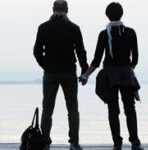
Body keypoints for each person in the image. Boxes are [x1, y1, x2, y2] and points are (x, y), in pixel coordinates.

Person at [79, 2, 144, 150]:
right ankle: (135, 143)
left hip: (110, 75)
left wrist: (85, 76)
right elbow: (135, 59)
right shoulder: (130, 32)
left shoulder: (103, 34)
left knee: (113, 110)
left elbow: (96, 61)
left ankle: (117, 143)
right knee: (130, 109)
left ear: (107, 15)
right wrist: (128, 69)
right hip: (127, 74)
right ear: (122, 14)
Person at [33, 0, 88, 150]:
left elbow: (37, 51)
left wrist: (45, 65)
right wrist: (85, 71)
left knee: (47, 109)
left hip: (50, 73)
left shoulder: (43, 27)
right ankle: (74, 142)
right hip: (69, 72)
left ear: (53, 9)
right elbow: (81, 52)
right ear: (67, 10)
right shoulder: (74, 28)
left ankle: (45, 142)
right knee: (72, 108)